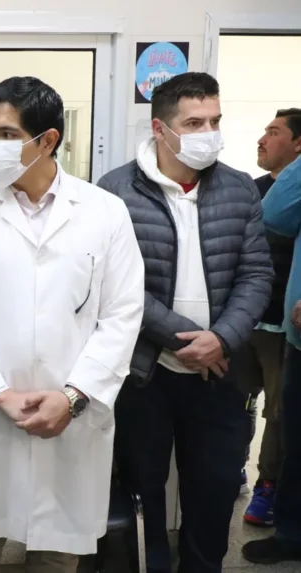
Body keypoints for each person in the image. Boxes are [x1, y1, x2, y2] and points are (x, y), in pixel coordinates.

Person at [0, 76, 145, 573]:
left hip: (71, 419)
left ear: (48, 140)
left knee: (58, 556)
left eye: (7, 134)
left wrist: (73, 397)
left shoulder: (105, 213)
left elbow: (123, 315)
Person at [98, 72, 274, 573]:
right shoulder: (114, 193)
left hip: (221, 372)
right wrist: (184, 340)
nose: (209, 133)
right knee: (143, 490)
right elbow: (114, 286)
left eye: (215, 121)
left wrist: (221, 338)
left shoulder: (239, 188)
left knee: (214, 492)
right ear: (160, 128)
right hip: (143, 372)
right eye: (194, 123)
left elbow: (256, 273)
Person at [242, 108, 301, 525]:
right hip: (245, 320)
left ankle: (268, 487)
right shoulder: (251, 190)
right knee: (234, 402)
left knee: (278, 414)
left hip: (284, 326)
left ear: (298, 144)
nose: (262, 139)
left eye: (275, 132)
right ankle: (232, 470)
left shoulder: (289, 197)